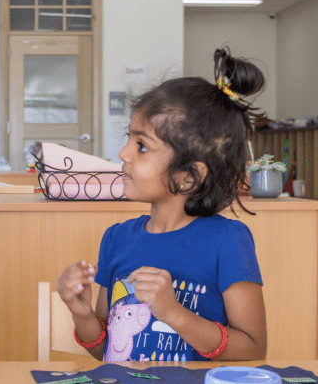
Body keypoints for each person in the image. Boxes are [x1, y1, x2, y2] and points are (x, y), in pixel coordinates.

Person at [57, 47, 267, 362]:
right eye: (129, 139)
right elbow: (107, 350)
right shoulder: (116, 238)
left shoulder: (228, 241)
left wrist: (174, 313)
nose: (124, 154)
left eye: (141, 145)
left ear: (188, 176)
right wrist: (81, 313)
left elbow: (252, 350)